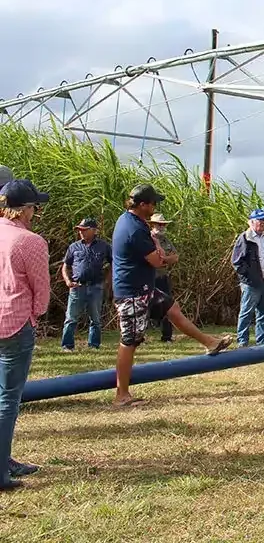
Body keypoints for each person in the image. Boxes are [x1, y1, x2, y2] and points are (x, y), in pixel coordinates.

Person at [111, 184, 232, 408]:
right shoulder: (135, 229)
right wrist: (166, 256)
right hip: (133, 292)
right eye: (153, 203)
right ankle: (121, 395)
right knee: (129, 341)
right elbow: (157, 261)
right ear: (143, 204)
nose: (155, 207)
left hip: (144, 288)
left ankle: (210, 343)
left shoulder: (130, 221)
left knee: (172, 309)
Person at [0, 178, 51, 491]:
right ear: (23, 209)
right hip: (15, 324)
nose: (35, 212)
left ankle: (4, 459)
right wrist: (35, 315)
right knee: (7, 400)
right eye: (34, 206)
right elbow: (41, 291)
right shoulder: (30, 242)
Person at [60, 218, 112, 352]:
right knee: (71, 318)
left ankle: (94, 345)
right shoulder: (74, 247)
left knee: (95, 319)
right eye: (80, 230)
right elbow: (65, 266)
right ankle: (67, 345)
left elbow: (114, 264)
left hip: (95, 286)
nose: (81, 232)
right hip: (77, 286)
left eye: (84, 230)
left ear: (94, 231)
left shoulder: (104, 246)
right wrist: (67, 281)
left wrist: (107, 281)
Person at [231, 208, 264, 347]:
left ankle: (262, 339)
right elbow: (237, 262)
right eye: (260, 220)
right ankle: (242, 340)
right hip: (251, 283)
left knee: (263, 313)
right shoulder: (245, 238)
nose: (263, 223)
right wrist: (250, 277)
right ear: (251, 222)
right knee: (246, 312)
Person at [148, 213, 178, 343]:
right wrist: (161, 260)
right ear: (152, 225)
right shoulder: (146, 238)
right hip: (147, 278)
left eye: (163, 224)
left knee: (167, 306)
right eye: (159, 224)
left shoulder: (165, 240)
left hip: (162, 277)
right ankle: (138, 337)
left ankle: (167, 337)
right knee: (143, 306)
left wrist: (164, 260)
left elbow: (175, 257)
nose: (161, 226)